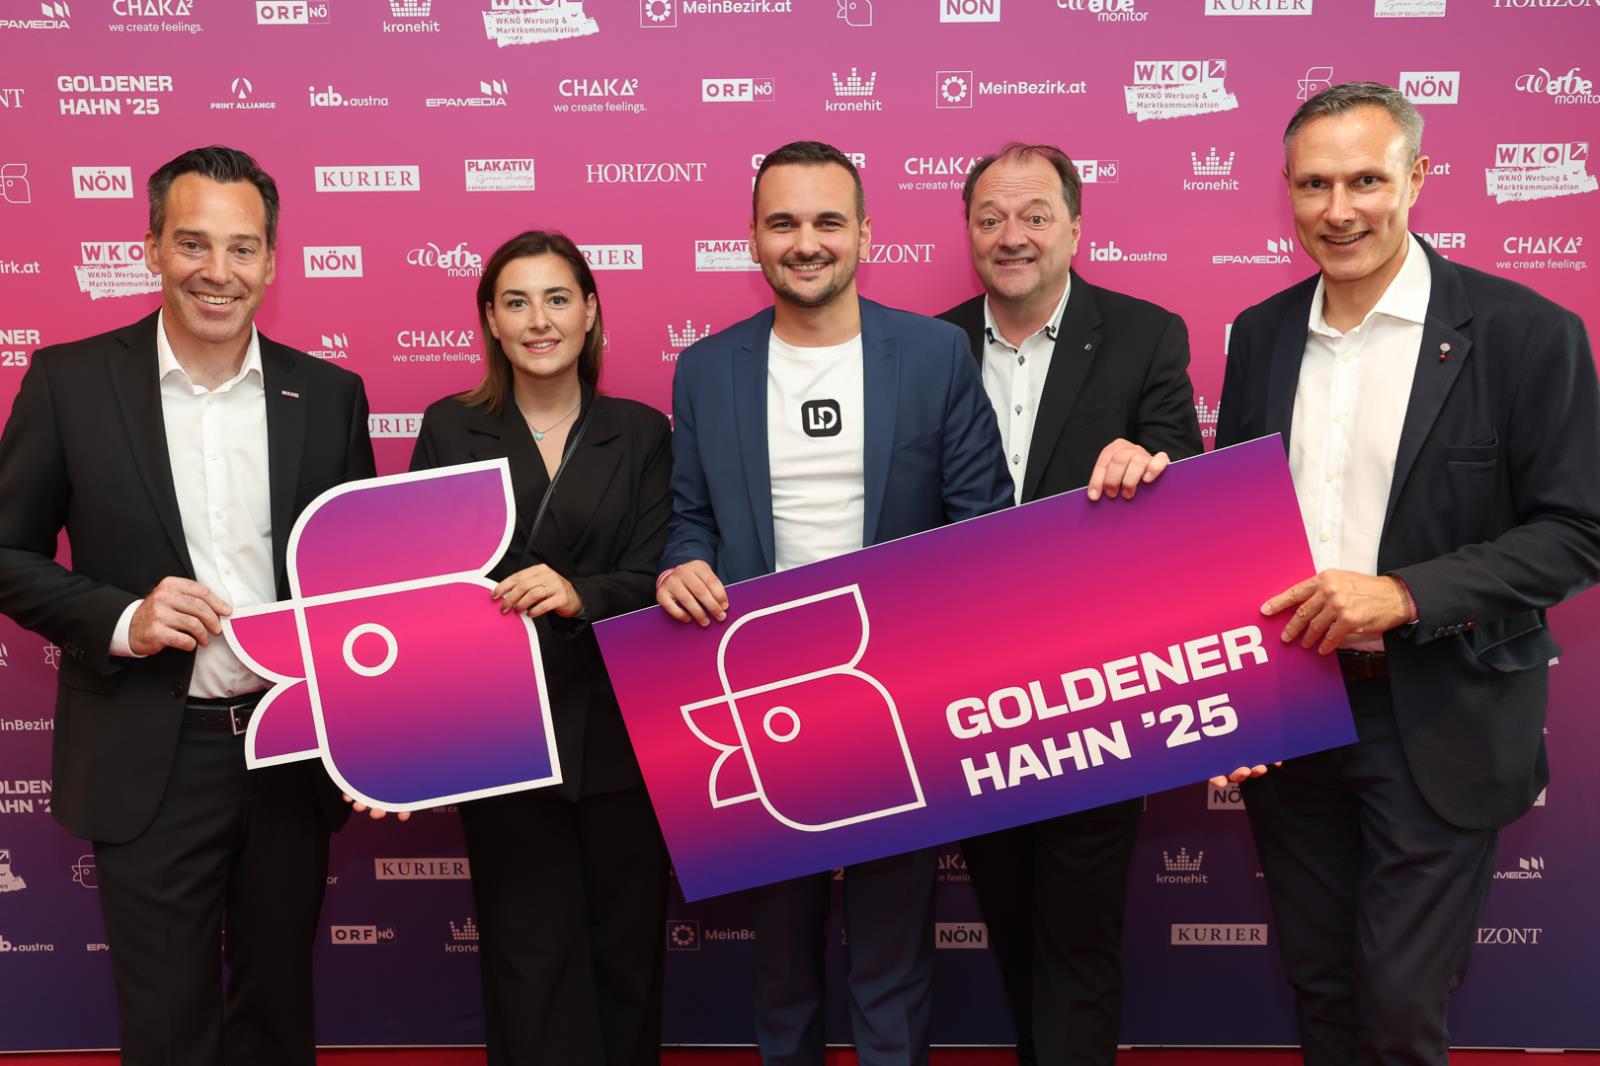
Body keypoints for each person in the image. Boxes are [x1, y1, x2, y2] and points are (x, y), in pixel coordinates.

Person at [1215, 82, 1600, 1064]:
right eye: (1314, 184)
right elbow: (1236, 531)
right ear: (1286, 190)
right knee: (1320, 988)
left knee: (1397, 1006)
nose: (1338, 209)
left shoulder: (1526, 332)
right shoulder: (1260, 333)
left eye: (1365, 181)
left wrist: (1404, 595)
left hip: (1438, 712)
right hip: (1291, 713)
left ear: (1417, 179)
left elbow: (1578, 530)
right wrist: (1228, 693)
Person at [0, 146, 375, 1065]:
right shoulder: (70, 383)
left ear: (272, 261)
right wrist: (123, 620)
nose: (219, 270)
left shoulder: (330, 396)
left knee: (277, 1019)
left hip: (289, 755)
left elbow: (361, 589)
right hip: (149, 758)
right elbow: (6, 554)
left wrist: (389, 737)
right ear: (152, 248)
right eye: (193, 243)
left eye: (243, 248)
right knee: (167, 1030)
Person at [655, 139, 1013, 1066]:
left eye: (826, 221)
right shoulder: (707, 370)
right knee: (781, 962)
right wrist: (681, 566)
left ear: (864, 233)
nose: (805, 242)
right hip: (758, 697)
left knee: (892, 958)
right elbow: (689, 519)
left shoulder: (934, 354)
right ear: (753, 240)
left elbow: (984, 520)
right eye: (783, 223)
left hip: (896, 693)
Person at [937, 143, 1201, 1066]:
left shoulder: (1145, 334)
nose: (1012, 236)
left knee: (1079, 935)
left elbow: (1185, 482)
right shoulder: (926, 348)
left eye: (1035, 215)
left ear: (1076, 228)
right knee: (1011, 923)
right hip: (963, 696)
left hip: (1098, 691)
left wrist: (1153, 463)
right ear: (969, 232)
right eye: (990, 218)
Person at [408, 230, 672, 1066]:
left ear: (590, 311)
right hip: (503, 742)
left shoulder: (641, 432)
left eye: (558, 299)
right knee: (527, 966)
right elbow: (420, 587)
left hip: (622, 738)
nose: (539, 321)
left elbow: (658, 576)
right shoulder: (450, 427)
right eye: (516, 303)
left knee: (626, 963)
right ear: (490, 319)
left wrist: (579, 593)